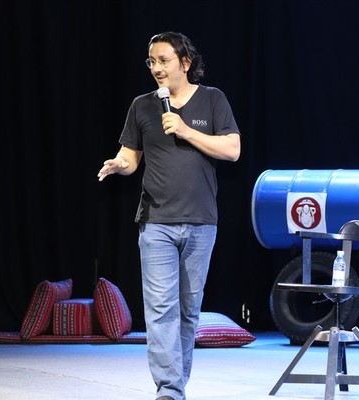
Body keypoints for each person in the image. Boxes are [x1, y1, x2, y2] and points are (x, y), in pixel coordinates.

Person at [97, 32, 241, 400]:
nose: (156, 68)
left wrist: (186, 130)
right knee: (161, 309)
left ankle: (176, 385)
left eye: (164, 60)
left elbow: (232, 150)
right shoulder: (142, 106)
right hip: (156, 222)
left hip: (201, 221)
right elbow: (130, 157)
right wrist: (120, 164)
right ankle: (170, 390)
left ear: (185, 63)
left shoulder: (213, 99)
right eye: (151, 61)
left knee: (189, 310)